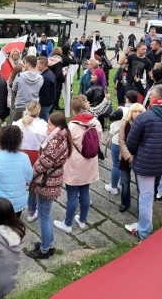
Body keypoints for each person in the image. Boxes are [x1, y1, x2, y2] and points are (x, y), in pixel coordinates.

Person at [124, 85, 162, 241]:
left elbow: (130, 145)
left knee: (145, 196)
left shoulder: (144, 117)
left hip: (146, 163)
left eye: (150, 96)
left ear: (154, 98)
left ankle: (143, 231)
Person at [25, 112, 71, 259]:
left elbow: (43, 163)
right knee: (46, 214)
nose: (47, 126)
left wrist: (30, 174)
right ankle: (49, 243)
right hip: (53, 179)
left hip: (47, 182)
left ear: (57, 126)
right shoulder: (61, 136)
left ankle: (44, 250)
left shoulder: (55, 141)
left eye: (50, 124)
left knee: (43, 217)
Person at [54, 97, 101, 233]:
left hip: (74, 164)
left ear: (73, 111)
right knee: (85, 192)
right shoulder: (95, 122)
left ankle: (67, 223)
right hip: (90, 162)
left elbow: (64, 146)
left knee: (72, 195)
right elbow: (99, 141)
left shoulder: (72, 126)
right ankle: (82, 220)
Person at [0, 125, 33, 216]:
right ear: (19, 140)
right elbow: (29, 178)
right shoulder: (25, 157)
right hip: (19, 203)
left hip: (1, 203)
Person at [117, 103, 146, 212]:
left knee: (140, 184)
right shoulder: (125, 123)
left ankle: (141, 206)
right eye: (135, 111)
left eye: (140, 112)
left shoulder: (145, 124)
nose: (137, 114)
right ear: (131, 112)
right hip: (126, 157)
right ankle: (125, 202)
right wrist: (129, 157)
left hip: (140, 158)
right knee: (125, 181)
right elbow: (121, 140)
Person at [10, 55, 43, 123]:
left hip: (21, 106)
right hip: (34, 107)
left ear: (28, 64)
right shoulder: (41, 78)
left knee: (13, 128)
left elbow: (14, 90)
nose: (24, 65)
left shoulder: (19, 76)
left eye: (25, 63)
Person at [37, 56, 56, 121]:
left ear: (42, 65)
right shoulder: (50, 73)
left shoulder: (45, 77)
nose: (37, 65)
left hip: (44, 104)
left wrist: (39, 103)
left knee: (43, 122)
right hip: (49, 102)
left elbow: (45, 94)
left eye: (38, 64)